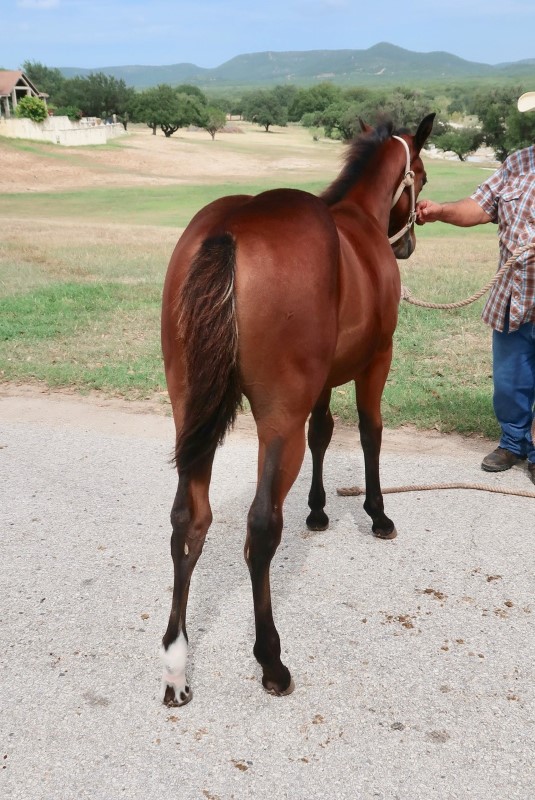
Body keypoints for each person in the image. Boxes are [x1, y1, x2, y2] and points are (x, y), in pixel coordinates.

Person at [416, 91, 535, 485]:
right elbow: (481, 207)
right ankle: (513, 442)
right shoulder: (517, 162)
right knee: (509, 380)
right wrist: (440, 212)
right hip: (514, 293)